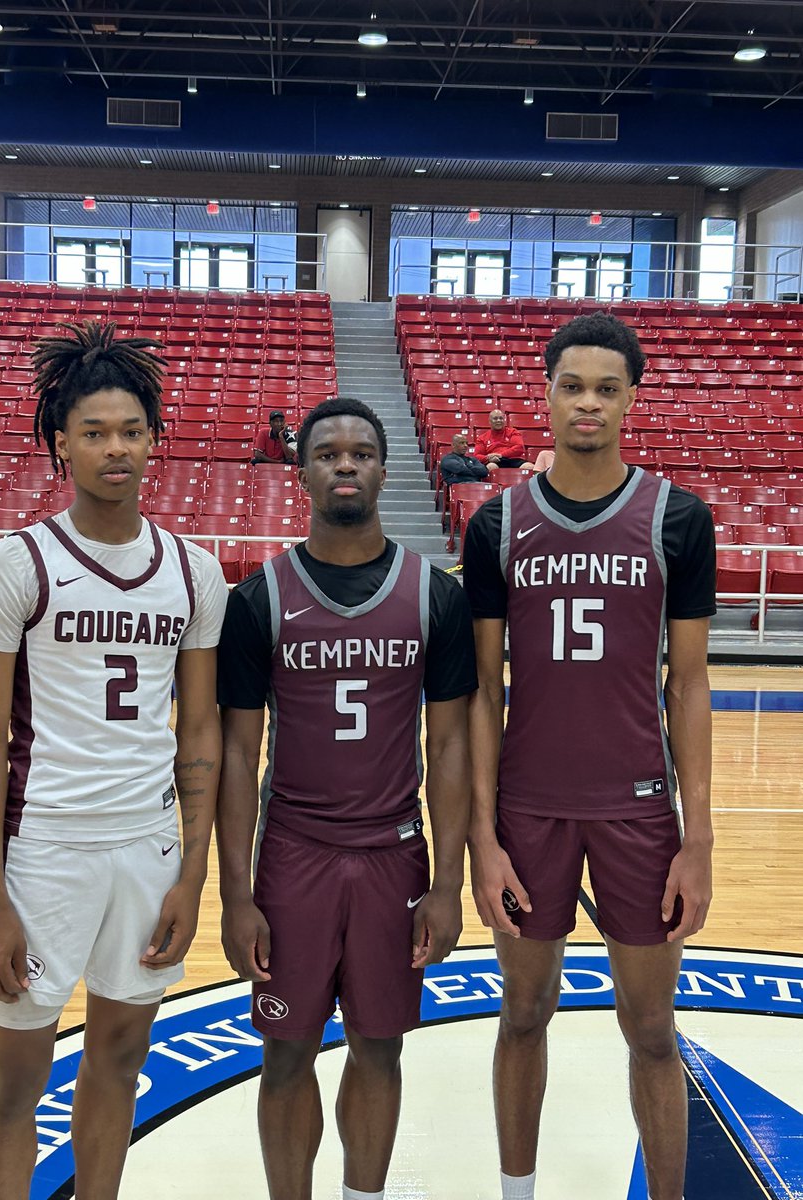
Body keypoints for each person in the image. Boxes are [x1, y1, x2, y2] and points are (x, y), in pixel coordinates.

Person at [0, 320, 228, 1200]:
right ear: (61, 445)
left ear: (154, 438)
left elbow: (199, 738)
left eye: (131, 430)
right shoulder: (14, 564)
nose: (116, 449)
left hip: (144, 848)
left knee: (118, 1059)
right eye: (94, 432)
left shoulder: (193, 571)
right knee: (18, 1076)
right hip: (45, 849)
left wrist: (194, 876)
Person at [463, 313, 715, 1200]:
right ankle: (518, 1193)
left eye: (608, 388)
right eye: (573, 385)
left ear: (632, 400)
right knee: (522, 1010)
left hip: (640, 807)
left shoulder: (679, 519)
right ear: (546, 393)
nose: (589, 403)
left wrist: (699, 836)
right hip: (528, 807)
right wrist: (481, 837)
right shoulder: (496, 527)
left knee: (651, 1026)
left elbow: (688, 685)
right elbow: (484, 693)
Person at [217, 395, 477, 1200]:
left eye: (361, 452)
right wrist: (235, 896)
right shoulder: (259, 597)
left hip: (394, 856)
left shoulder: (435, 594)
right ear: (301, 473)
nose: (344, 464)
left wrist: (447, 883)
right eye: (327, 452)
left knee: (379, 1049)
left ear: (384, 469)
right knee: (286, 1053)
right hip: (293, 856)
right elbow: (236, 752)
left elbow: (452, 746)